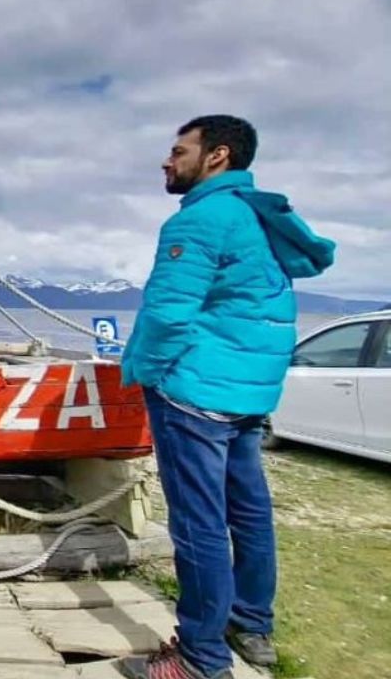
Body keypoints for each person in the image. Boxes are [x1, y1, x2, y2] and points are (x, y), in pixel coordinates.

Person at [117, 116, 335, 679]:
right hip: (245, 395)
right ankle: (251, 626)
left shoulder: (204, 218)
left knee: (198, 525)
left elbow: (169, 312)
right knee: (250, 513)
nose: (166, 161)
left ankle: (200, 659)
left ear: (216, 156)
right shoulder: (255, 218)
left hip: (194, 394)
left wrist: (148, 372)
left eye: (177, 150)